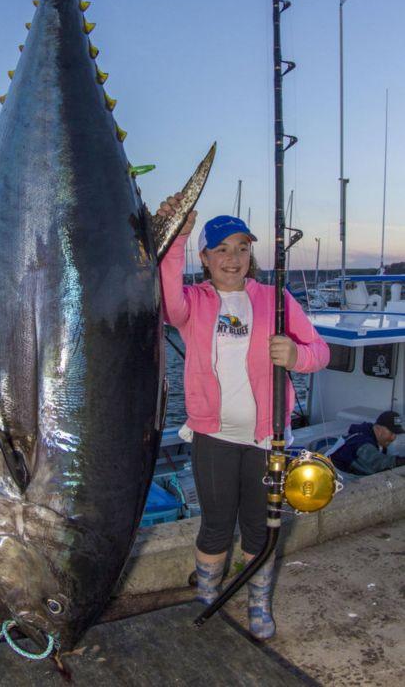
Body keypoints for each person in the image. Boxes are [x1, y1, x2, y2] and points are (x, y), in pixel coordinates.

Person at [158, 196, 330, 640]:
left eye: (241, 248)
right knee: (215, 526)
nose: (233, 259)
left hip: (267, 439)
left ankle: (258, 603)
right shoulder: (192, 302)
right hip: (212, 435)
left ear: (251, 254)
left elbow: (321, 352)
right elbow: (165, 301)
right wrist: (176, 235)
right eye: (221, 249)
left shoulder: (275, 299)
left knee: (260, 527)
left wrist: (296, 355)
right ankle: (208, 597)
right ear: (205, 257)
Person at [328, 411, 405, 475]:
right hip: (332, 479)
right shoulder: (361, 442)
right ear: (378, 429)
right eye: (391, 433)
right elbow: (378, 464)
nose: (394, 437)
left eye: (396, 434)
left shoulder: (377, 439)